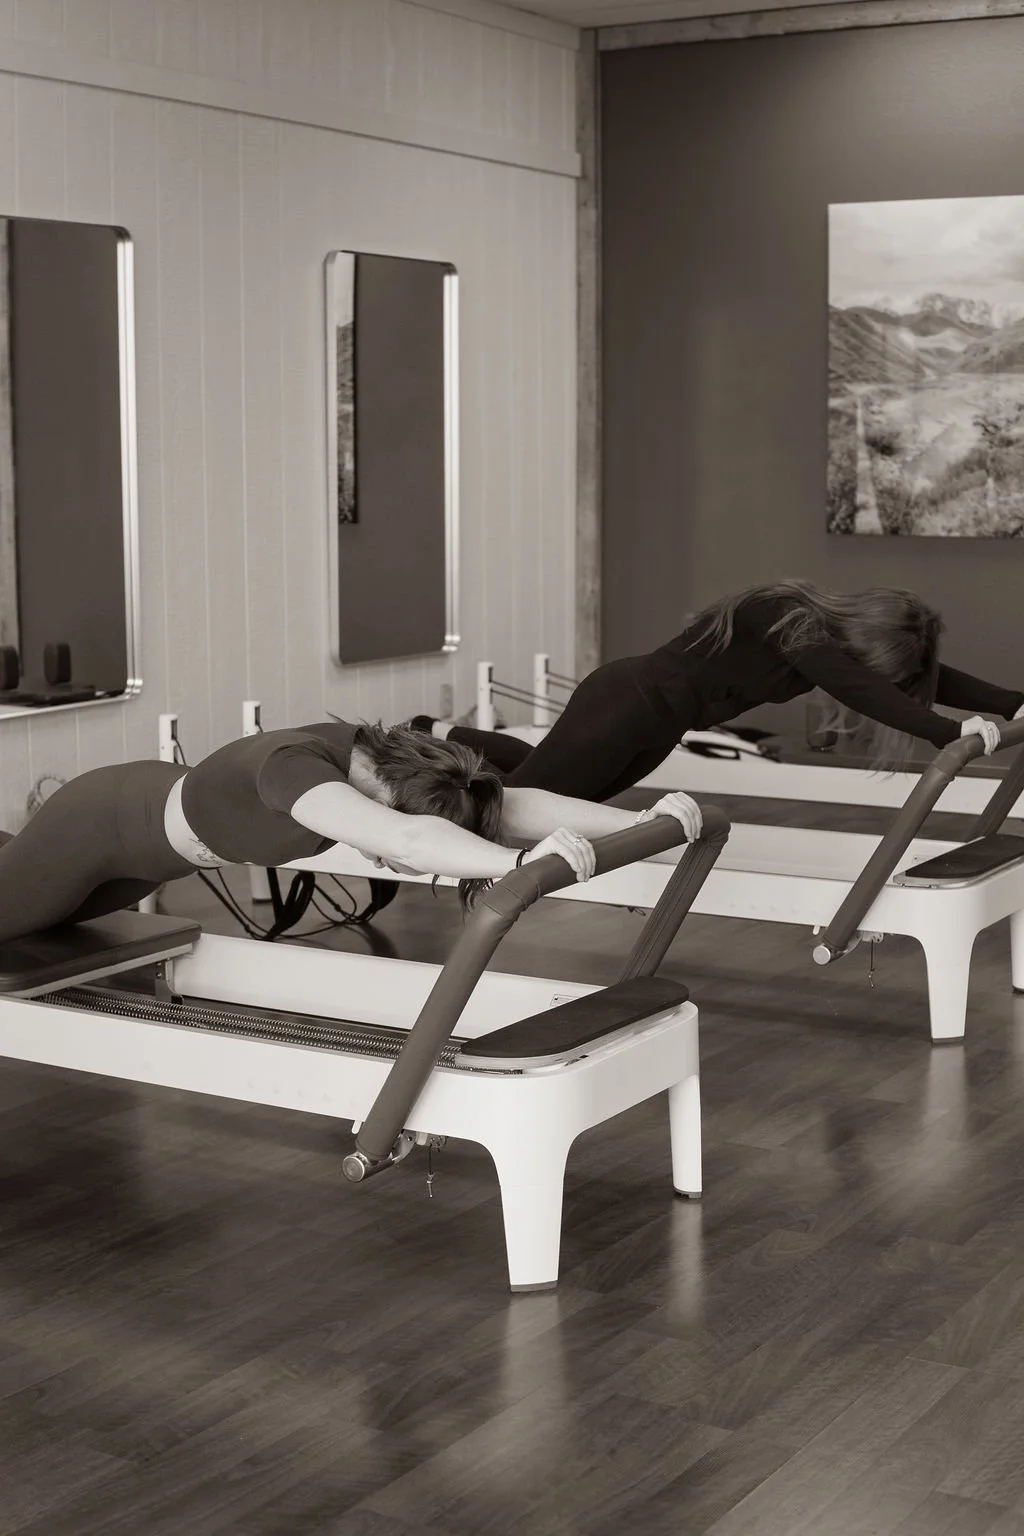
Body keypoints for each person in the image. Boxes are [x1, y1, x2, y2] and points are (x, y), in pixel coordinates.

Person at [0, 718, 701, 947]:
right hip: (98, 826)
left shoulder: (387, 760)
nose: (380, 834)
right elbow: (409, 843)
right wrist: (516, 865)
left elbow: (513, 805)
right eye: (393, 815)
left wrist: (649, 823)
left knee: (39, 933)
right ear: (388, 794)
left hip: (156, 857)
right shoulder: (295, 771)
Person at [414, 580, 1024, 799]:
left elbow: (928, 678)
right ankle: (415, 757)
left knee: (561, 792)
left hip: (657, 725)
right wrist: (949, 731)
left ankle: (435, 734)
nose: (868, 676)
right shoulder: (782, 613)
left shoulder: (827, 647)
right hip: (625, 702)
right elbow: (856, 685)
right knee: (521, 802)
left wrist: (1009, 705)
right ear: (863, 631)